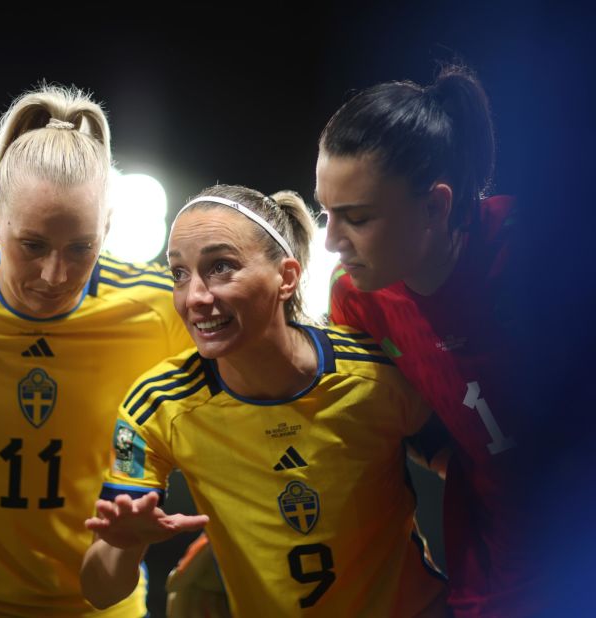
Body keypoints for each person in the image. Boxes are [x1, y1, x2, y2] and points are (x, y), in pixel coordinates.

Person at [0, 84, 193, 616]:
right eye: (33, 246)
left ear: (107, 229)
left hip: (98, 603)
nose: (56, 275)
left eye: (81, 248)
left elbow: (265, 355)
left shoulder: (157, 310)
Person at [79, 185, 447, 617]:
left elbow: (471, 471)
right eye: (179, 272)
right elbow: (101, 591)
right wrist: (125, 543)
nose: (195, 296)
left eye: (220, 267)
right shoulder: (157, 406)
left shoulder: (375, 372)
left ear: (286, 278)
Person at [317, 65, 533, 616]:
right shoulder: (357, 302)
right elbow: (392, 431)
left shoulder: (544, 251)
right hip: (491, 565)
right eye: (325, 212)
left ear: (436, 206)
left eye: (357, 218)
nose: (332, 240)